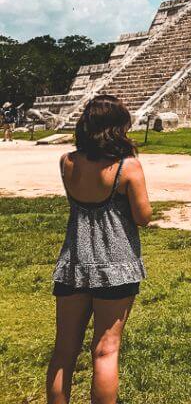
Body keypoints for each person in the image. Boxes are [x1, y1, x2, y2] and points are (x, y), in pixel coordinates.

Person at [46, 95, 152, 404]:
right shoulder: (127, 167)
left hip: (74, 262)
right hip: (115, 265)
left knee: (64, 350)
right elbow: (143, 217)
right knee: (106, 350)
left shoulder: (68, 161)